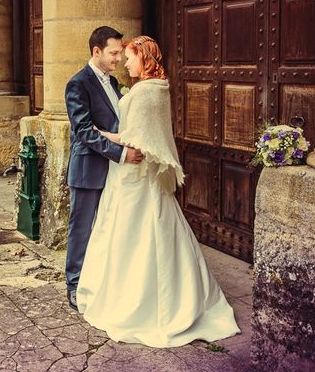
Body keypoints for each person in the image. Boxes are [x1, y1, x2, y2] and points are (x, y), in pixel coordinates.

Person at [76, 35, 240, 347]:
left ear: (145, 59)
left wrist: (105, 135)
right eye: (122, 56)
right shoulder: (152, 89)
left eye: (130, 57)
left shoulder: (146, 93)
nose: (125, 62)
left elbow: (135, 138)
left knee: (134, 236)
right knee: (132, 234)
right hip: (130, 174)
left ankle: (139, 304)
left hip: (136, 175)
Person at [64, 26, 145, 311]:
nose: (118, 58)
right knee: (82, 229)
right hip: (88, 170)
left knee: (106, 230)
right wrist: (122, 153)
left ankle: (98, 281)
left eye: (121, 53)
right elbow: (85, 131)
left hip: (114, 173)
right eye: (113, 53)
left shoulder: (112, 83)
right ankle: (74, 284)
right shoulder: (78, 84)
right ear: (96, 51)